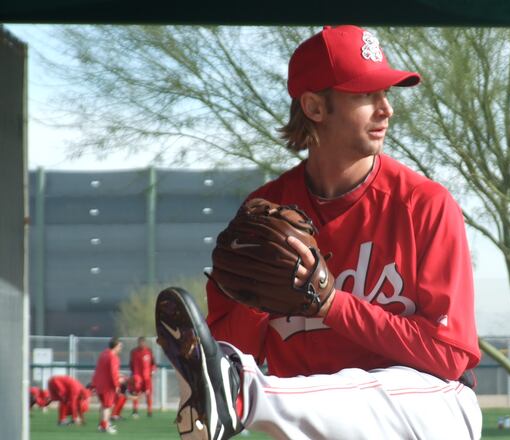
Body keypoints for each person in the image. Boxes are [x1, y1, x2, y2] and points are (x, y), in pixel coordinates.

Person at [156, 24, 481, 440]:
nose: (386, 109)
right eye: (366, 94)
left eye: (386, 94)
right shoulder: (267, 212)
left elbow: (450, 356)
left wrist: (332, 304)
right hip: (319, 425)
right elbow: (231, 349)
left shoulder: (424, 205)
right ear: (314, 107)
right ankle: (243, 392)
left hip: (434, 410)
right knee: (238, 375)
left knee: (269, 386)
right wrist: (258, 294)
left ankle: (248, 395)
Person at [92, 337, 123, 434]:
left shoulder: (103, 354)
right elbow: (113, 372)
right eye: (120, 346)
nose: (120, 348)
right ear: (116, 346)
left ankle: (101, 425)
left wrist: (94, 383)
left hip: (99, 384)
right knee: (107, 406)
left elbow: (99, 369)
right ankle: (105, 426)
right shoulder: (113, 356)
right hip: (108, 386)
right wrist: (117, 385)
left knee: (103, 405)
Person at [128, 336, 156, 417]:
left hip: (147, 377)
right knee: (135, 393)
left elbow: (153, 363)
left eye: (143, 342)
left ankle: (149, 411)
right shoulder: (133, 352)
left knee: (148, 394)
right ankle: (135, 410)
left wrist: (152, 371)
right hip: (137, 377)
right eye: (140, 342)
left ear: (145, 343)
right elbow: (131, 363)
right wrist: (133, 374)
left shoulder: (149, 351)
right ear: (138, 343)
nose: (141, 344)